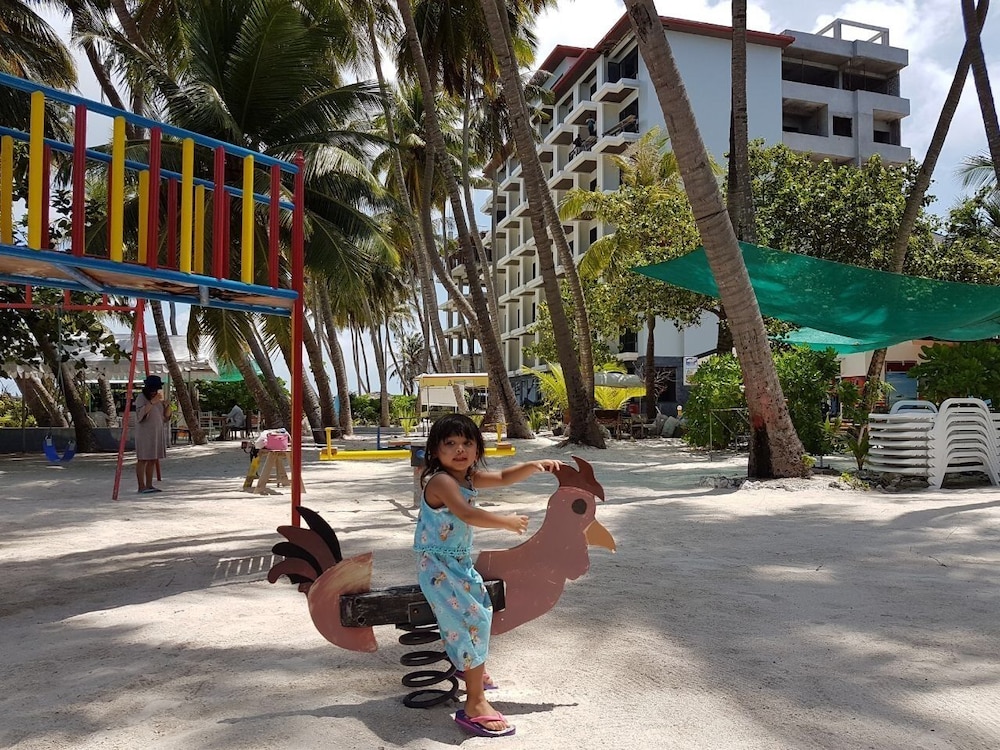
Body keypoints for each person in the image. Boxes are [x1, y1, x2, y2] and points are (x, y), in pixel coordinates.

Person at [413, 414, 559, 738]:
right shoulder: (441, 481)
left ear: (478, 448)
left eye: (467, 443)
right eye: (450, 443)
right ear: (435, 452)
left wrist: (534, 465)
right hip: (437, 566)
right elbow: (466, 513)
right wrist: (505, 521)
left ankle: (471, 670)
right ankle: (474, 705)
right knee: (470, 617)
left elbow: (505, 476)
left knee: (482, 608)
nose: (460, 449)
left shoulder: (468, 477)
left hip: (458, 563)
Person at [134, 375, 171, 494]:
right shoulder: (141, 398)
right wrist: (152, 402)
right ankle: (141, 486)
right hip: (145, 433)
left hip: (156, 432)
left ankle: (149, 485)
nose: (154, 391)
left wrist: (167, 406)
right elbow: (140, 414)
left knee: (153, 459)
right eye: (153, 389)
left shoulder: (158, 399)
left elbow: (165, 417)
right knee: (142, 459)